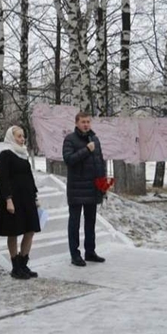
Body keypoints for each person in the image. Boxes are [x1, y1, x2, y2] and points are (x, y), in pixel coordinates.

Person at [0, 126, 41, 279]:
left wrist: (35, 196)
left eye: (23, 136)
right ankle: (15, 266)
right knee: (13, 231)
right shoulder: (6, 154)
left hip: (27, 198)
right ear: (11, 137)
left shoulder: (23, 154)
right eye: (19, 136)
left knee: (30, 229)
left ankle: (23, 262)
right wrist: (8, 200)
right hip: (13, 198)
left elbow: (29, 177)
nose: (22, 139)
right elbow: (3, 178)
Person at [63, 112, 106, 266]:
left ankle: (90, 251)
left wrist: (103, 184)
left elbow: (100, 163)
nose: (86, 124)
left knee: (91, 221)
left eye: (88, 121)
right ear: (76, 123)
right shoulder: (70, 139)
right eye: (83, 122)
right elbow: (69, 160)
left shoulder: (95, 139)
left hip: (92, 188)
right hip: (77, 188)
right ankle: (75, 254)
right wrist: (86, 150)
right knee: (74, 222)